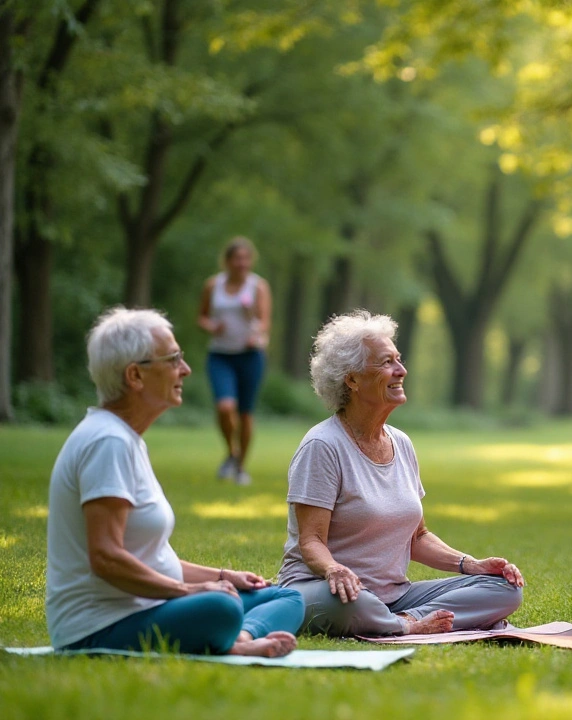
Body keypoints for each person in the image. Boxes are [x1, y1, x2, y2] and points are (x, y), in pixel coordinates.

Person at [46, 308, 303, 656]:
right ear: (135, 375)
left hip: (148, 606)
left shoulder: (126, 439)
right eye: (173, 359)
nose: (186, 369)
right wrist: (191, 593)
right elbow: (105, 558)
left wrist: (225, 576)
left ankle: (238, 640)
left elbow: (151, 559)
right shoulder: (108, 442)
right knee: (221, 607)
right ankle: (230, 638)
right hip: (101, 627)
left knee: (287, 596)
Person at [278, 310, 524, 637]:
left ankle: (407, 619)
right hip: (326, 589)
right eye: (386, 363)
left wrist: (471, 565)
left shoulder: (402, 443)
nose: (401, 370)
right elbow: (310, 541)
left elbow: (417, 537)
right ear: (351, 379)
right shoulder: (323, 446)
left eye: (399, 359)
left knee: (502, 588)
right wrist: (334, 570)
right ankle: (405, 624)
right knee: (354, 603)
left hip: (396, 596)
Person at [197, 237, 272, 486]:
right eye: (237, 258)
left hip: (250, 355)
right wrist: (212, 326)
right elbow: (202, 317)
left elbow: (264, 322)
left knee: (245, 414)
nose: (242, 263)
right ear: (227, 261)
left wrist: (256, 333)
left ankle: (240, 468)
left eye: (246, 258)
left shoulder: (258, 286)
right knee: (224, 407)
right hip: (220, 355)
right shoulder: (212, 285)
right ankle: (232, 451)